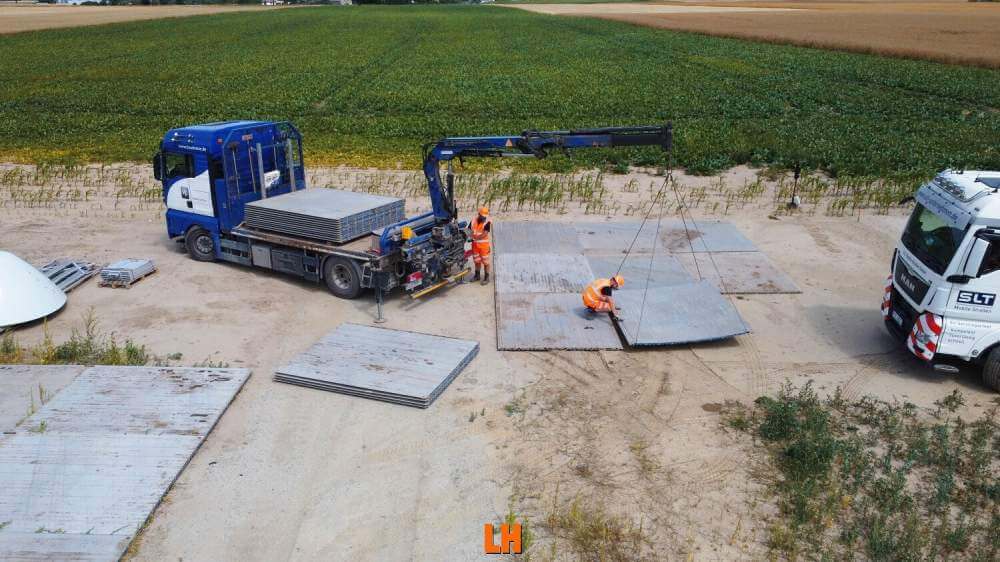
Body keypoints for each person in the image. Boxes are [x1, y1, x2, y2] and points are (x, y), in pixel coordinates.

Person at [470, 206, 492, 285]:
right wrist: (469, 235)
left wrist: (475, 237)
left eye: (485, 216)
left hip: (483, 246)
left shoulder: (487, 222)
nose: (484, 218)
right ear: (479, 214)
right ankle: (477, 276)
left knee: (486, 262)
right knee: (477, 261)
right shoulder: (473, 221)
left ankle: (486, 278)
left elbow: (485, 233)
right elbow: (469, 230)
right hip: (475, 246)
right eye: (482, 216)